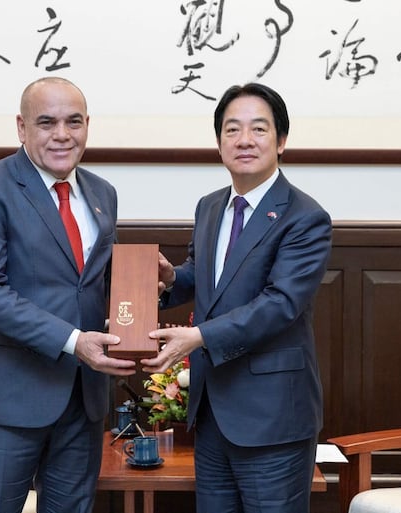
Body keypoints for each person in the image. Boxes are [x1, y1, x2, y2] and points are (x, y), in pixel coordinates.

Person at [0, 76, 136, 513]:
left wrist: (149, 286)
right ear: (21, 127)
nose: (62, 135)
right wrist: (74, 342)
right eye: (46, 122)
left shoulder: (100, 193)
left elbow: (91, 284)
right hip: (7, 399)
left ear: (88, 125)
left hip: (82, 400)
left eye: (74, 122)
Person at [143, 83, 332, 513]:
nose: (244, 140)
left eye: (258, 129)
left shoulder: (305, 218)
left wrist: (199, 337)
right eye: (232, 129)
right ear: (219, 142)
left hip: (273, 420)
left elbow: (280, 304)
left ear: (281, 141)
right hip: (213, 414)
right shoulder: (210, 207)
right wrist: (173, 278)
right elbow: (211, 278)